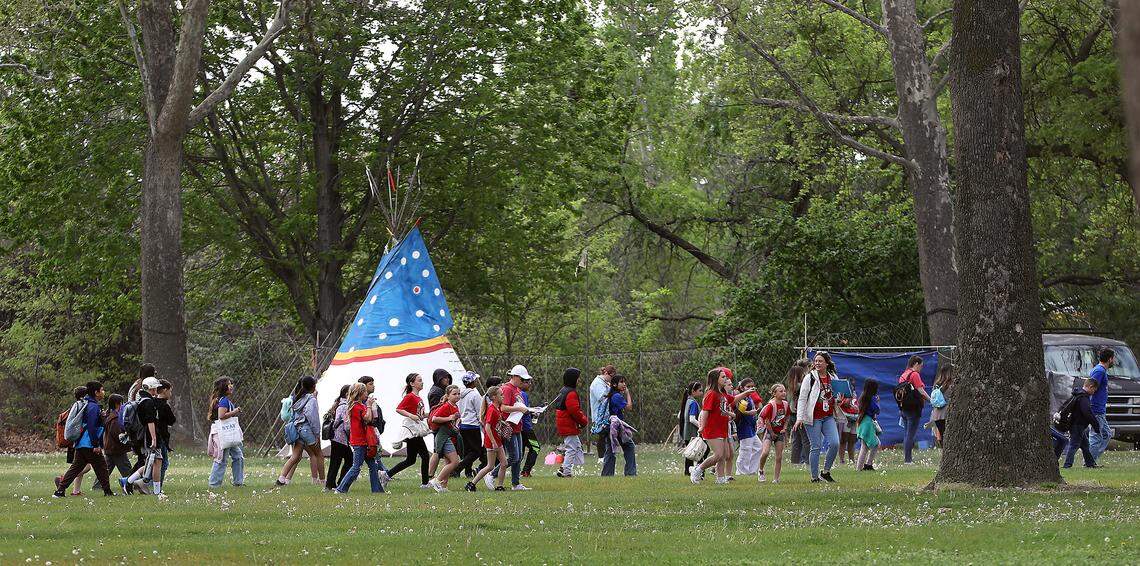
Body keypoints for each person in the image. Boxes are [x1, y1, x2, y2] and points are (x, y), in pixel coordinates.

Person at [53, 381, 115, 498]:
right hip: (89, 444)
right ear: (96, 392)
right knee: (101, 467)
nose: (103, 392)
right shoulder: (93, 406)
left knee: (76, 468)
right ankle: (108, 492)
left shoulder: (87, 404)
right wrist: (96, 444)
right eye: (101, 390)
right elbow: (92, 427)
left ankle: (59, 491)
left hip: (81, 443)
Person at [690, 368, 752, 484]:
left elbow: (733, 399)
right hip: (712, 429)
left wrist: (746, 393)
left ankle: (720, 479)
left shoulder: (722, 394)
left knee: (723, 456)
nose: (726, 379)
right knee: (718, 455)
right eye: (723, 377)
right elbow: (705, 411)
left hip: (722, 428)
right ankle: (697, 470)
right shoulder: (711, 394)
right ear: (715, 379)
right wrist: (702, 427)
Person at [793, 352, 841, 483]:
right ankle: (814, 477)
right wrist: (799, 418)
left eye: (820, 361)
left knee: (835, 443)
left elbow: (836, 395)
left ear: (827, 363)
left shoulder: (833, 377)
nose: (818, 363)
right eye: (816, 361)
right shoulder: (810, 377)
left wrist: (839, 399)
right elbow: (802, 398)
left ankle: (825, 472)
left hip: (828, 416)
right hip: (812, 417)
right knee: (816, 446)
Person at [486, 365, 535, 491]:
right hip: (509, 426)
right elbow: (503, 408)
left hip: (517, 426)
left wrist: (529, 411)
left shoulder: (517, 390)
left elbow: (517, 406)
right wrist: (519, 409)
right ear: (515, 377)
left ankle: (516, 483)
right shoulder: (507, 389)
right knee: (514, 456)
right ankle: (491, 475)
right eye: (522, 379)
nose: (524, 381)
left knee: (519, 457)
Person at [335, 383, 385, 494]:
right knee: (356, 467)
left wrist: (371, 406)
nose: (367, 394)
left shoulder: (360, 405)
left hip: (365, 440)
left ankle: (377, 490)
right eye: (365, 392)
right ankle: (341, 489)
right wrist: (368, 405)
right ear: (360, 393)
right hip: (360, 441)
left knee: (373, 465)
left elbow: (373, 418)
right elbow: (367, 418)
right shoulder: (356, 406)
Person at [276, 376, 325, 486]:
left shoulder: (296, 398)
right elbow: (313, 417)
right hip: (307, 430)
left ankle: (281, 479)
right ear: (313, 387)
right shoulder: (311, 399)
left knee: (295, 456)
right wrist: (317, 434)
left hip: (297, 430)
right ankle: (322, 481)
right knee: (318, 454)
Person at [388, 373, 432, 488]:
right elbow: (399, 409)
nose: (422, 382)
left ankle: (386, 475)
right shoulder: (410, 396)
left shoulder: (418, 398)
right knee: (425, 456)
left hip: (416, 429)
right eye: (419, 380)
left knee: (411, 460)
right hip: (412, 431)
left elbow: (421, 415)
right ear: (412, 383)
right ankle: (425, 483)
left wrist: (431, 414)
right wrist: (411, 416)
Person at [466, 386, 509, 491]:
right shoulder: (491, 409)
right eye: (501, 395)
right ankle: (471, 484)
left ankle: (500, 486)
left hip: (497, 440)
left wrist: (502, 424)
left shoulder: (497, 408)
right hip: (491, 441)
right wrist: (493, 442)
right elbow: (487, 427)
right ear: (494, 397)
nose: (503, 396)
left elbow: (494, 424)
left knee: (504, 463)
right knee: (490, 466)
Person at [126, 376, 162, 494]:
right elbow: (150, 421)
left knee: (149, 462)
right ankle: (157, 491)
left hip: (145, 436)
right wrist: (154, 438)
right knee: (157, 462)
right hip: (149, 435)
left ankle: (129, 481)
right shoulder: (148, 402)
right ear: (151, 388)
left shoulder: (143, 399)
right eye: (155, 388)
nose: (156, 390)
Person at [207, 377, 245, 488]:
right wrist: (235, 411)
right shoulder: (223, 400)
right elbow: (221, 416)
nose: (231, 386)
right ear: (223, 387)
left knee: (238, 456)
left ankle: (238, 482)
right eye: (229, 384)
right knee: (221, 459)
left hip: (227, 434)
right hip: (224, 434)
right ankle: (214, 484)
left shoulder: (222, 399)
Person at [55, 386, 91, 497]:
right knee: (86, 466)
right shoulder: (81, 407)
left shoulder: (74, 406)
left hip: (73, 441)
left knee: (78, 466)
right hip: (78, 441)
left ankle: (76, 491)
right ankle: (64, 479)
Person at [553, 367, 588, 478]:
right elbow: (574, 410)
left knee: (576, 445)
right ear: (573, 379)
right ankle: (566, 470)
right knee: (572, 448)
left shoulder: (563, 390)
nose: (579, 381)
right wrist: (583, 421)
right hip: (568, 424)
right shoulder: (571, 393)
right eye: (578, 378)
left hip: (563, 423)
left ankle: (565, 467)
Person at [897, 355, 932, 464]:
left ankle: (907, 457)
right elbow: (921, 391)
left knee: (906, 434)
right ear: (915, 364)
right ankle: (908, 460)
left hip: (904, 409)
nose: (921, 369)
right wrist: (931, 401)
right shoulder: (914, 375)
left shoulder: (903, 375)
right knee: (910, 434)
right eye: (921, 366)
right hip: (913, 409)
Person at [428, 385, 463, 492]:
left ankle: (443, 486)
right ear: (447, 396)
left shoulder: (455, 406)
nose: (457, 396)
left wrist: (457, 422)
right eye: (454, 394)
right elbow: (434, 418)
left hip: (449, 436)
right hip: (443, 438)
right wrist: (450, 418)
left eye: (458, 393)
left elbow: (453, 421)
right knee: (455, 462)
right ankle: (437, 481)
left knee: (448, 462)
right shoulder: (446, 406)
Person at [97, 394, 133, 492]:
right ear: (117, 404)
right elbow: (118, 435)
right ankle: (132, 484)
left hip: (110, 447)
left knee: (105, 469)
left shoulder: (109, 415)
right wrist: (129, 443)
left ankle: (97, 486)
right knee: (127, 469)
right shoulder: (115, 418)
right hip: (117, 448)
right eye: (121, 403)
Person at [601, 375, 636, 476]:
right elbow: (629, 407)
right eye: (621, 382)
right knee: (629, 446)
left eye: (624, 382)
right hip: (616, 426)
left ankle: (607, 474)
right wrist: (628, 393)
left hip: (609, 425)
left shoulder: (612, 394)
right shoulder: (617, 396)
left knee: (611, 449)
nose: (624, 384)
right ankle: (630, 473)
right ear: (615, 384)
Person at [757, 383, 790, 483]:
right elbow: (767, 421)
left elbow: (787, 417)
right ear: (774, 393)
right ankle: (761, 470)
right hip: (769, 432)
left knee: (779, 457)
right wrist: (771, 433)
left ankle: (776, 479)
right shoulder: (771, 405)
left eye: (784, 391)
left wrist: (784, 428)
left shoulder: (785, 404)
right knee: (765, 452)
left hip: (779, 433)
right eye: (781, 391)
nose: (783, 393)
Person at [1063, 378, 1099, 469]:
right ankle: (1067, 465)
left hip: (1076, 424)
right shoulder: (1083, 398)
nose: (1094, 392)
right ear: (1091, 387)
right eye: (1094, 390)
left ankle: (1090, 463)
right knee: (1074, 445)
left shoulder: (1077, 394)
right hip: (1078, 425)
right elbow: (1087, 413)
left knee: (1085, 445)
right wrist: (1096, 425)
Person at [456, 371, 486, 477]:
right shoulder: (475, 394)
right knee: (476, 451)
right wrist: (483, 423)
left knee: (468, 450)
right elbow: (479, 411)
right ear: (472, 382)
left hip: (463, 425)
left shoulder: (460, 395)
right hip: (473, 425)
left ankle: (468, 471)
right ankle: (457, 468)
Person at [1088, 349, 1114, 463]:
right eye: (1113, 358)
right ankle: (1090, 461)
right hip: (1096, 409)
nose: (1114, 361)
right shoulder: (1099, 371)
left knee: (1106, 434)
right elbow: (1091, 388)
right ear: (1110, 359)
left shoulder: (1101, 370)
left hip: (1100, 408)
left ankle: (1092, 459)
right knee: (1096, 435)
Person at [324, 385, 352, 492]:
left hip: (336, 438)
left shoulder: (339, 404)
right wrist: (350, 435)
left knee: (336, 461)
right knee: (349, 460)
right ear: (347, 394)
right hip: (341, 438)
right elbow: (346, 424)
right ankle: (340, 483)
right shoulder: (345, 406)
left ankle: (331, 484)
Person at [733, 378, 762, 478]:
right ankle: (741, 471)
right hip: (744, 427)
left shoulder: (749, 397)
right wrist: (751, 412)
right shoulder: (743, 398)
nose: (750, 388)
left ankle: (751, 470)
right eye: (748, 387)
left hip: (751, 427)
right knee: (746, 449)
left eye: (752, 386)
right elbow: (739, 413)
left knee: (759, 448)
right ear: (742, 388)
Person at [787, 360, 811, 465]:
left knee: (796, 440)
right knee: (806, 439)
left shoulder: (791, 386)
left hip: (792, 415)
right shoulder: (800, 386)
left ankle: (795, 462)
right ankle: (808, 461)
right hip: (799, 416)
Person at [589, 365, 616, 457]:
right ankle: (601, 457)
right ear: (605, 373)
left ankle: (608, 455)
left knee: (607, 435)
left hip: (606, 413)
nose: (612, 379)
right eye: (611, 376)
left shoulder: (605, 382)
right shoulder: (597, 383)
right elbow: (602, 397)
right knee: (602, 435)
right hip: (600, 414)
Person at [679, 381, 705, 476]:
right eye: (700, 390)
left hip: (686, 432)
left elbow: (680, 415)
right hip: (692, 432)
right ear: (693, 391)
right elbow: (692, 419)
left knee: (689, 454)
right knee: (698, 452)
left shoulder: (687, 401)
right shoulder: (693, 403)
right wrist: (701, 427)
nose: (702, 392)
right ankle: (698, 472)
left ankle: (687, 472)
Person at [855, 380, 881, 471]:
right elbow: (876, 410)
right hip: (868, 423)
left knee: (864, 447)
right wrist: (877, 402)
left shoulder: (862, 397)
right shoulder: (872, 398)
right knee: (875, 444)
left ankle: (861, 467)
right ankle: (868, 465)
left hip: (862, 422)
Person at [519, 378, 541, 478]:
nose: (530, 384)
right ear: (521, 383)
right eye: (528, 382)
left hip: (521, 427)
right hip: (526, 428)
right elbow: (522, 411)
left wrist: (532, 413)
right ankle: (526, 471)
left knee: (520, 452)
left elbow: (524, 410)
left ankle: (520, 471)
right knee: (535, 447)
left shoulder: (520, 394)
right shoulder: (522, 394)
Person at [929, 363, 953, 445]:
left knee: (943, 436)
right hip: (947, 413)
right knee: (950, 438)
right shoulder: (951, 384)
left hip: (937, 415)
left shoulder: (937, 384)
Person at [837, 386, 858, 465]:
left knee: (852, 440)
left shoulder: (854, 395)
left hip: (854, 418)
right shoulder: (842, 394)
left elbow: (856, 406)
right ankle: (842, 460)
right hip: (845, 418)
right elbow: (844, 404)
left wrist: (855, 407)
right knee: (843, 440)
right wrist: (848, 399)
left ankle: (851, 460)